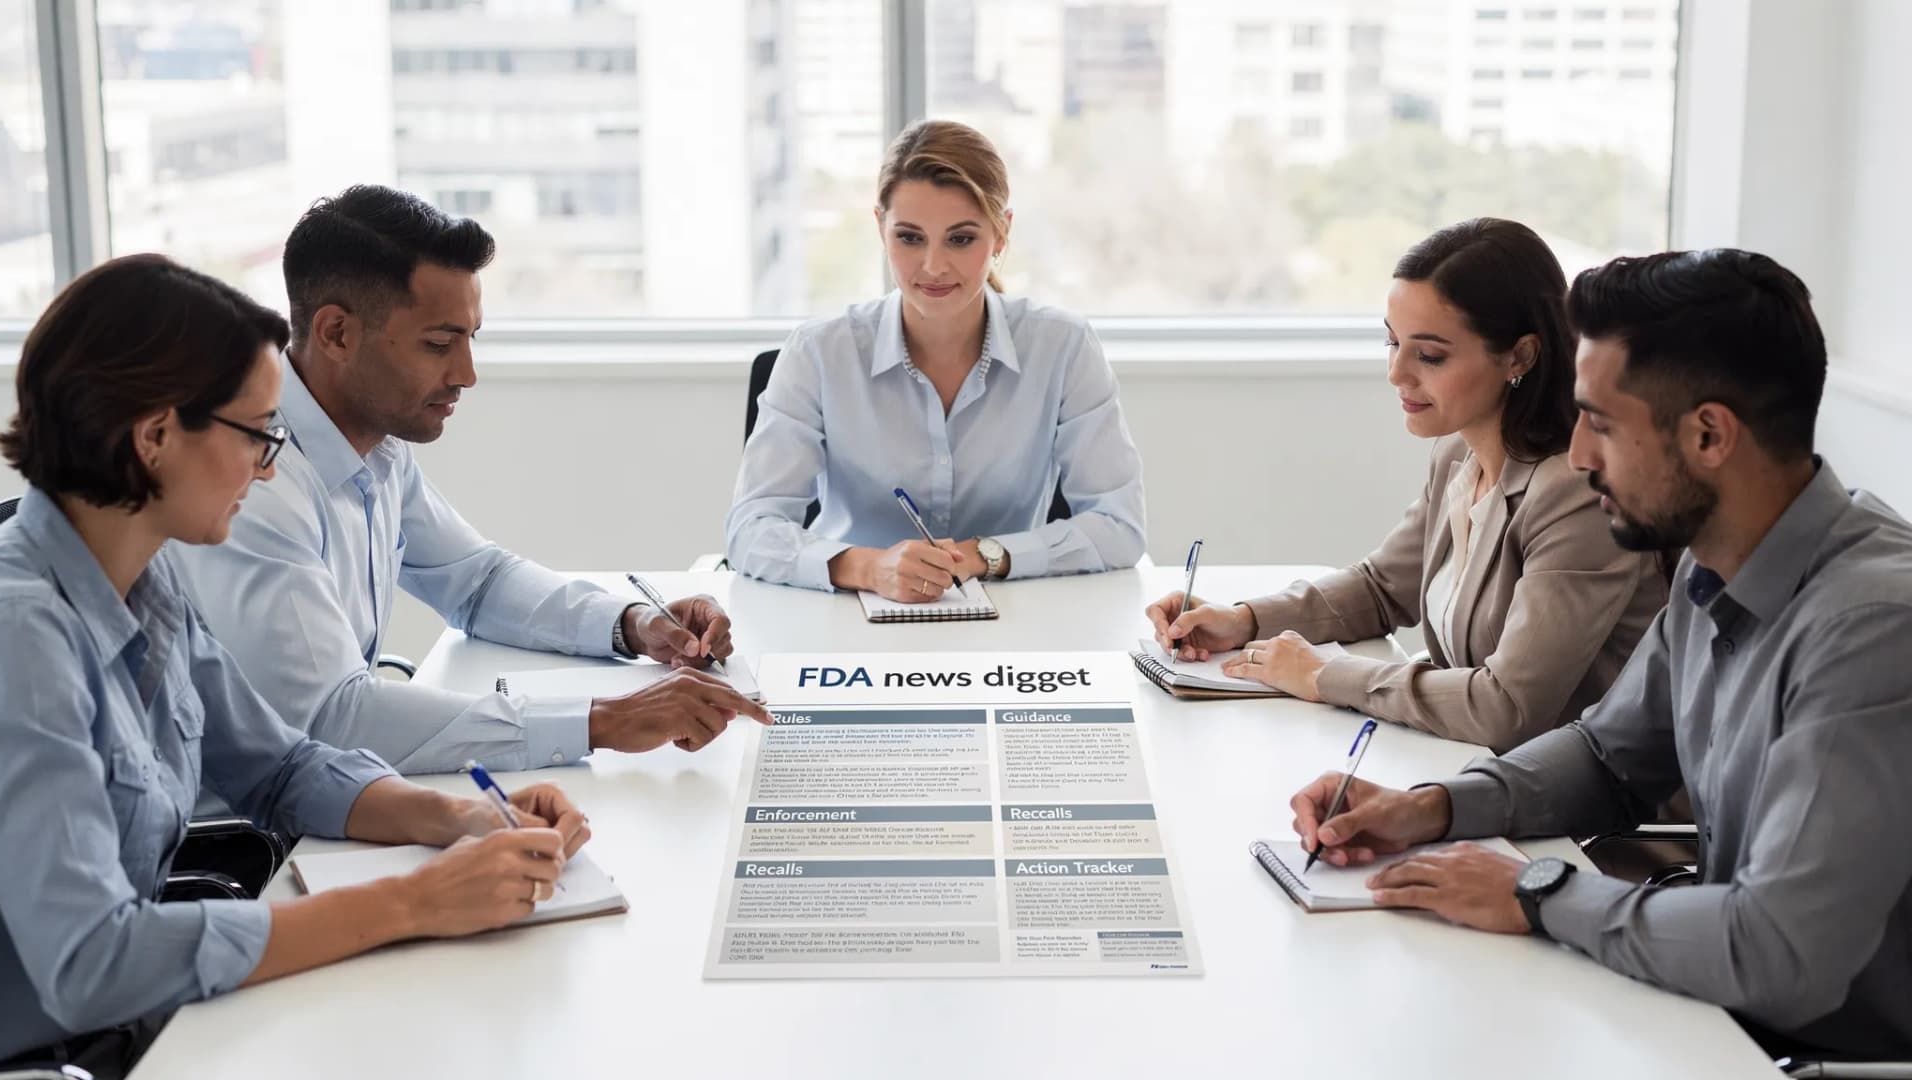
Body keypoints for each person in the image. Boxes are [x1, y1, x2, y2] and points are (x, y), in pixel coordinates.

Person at [1288, 250, 1912, 1058]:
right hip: (1712, 1013)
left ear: (1710, 434)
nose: (1578, 454)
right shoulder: (1715, 557)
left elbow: (1780, 952)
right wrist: (1435, 807)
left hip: (1814, 1051)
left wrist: (1538, 892)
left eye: (1603, 423)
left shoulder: (1870, 627)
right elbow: (1611, 757)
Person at [0, 255, 596, 1078]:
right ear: (155, 434)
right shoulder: (20, 639)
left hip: (140, 1023)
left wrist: (454, 819)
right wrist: (414, 903)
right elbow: (92, 960)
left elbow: (275, 767)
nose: (270, 466)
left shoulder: (144, 571)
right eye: (257, 434)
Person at [169, 185, 770, 776]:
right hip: (250, 848)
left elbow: (476, 582)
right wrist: (603, 720)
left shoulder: (376, 443)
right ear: (336, 334)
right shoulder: (252, 478)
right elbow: (331, 719)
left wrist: (634, 624)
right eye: (438, 344)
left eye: (469, 339)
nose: (466, 374)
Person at [1146, 219, 1666, 752]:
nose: (1397, 372)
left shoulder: (1576, 495)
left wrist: (1325, 675)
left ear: (1521, 356)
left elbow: (1506, 709)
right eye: (1393, 342)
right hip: (1469, 765)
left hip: (1573, 810)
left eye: (1430, 355)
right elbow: (1382, 587)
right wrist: (1245, 620)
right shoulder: (1459, 453)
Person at [725, 119, 1146, 601]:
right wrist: (869, 566)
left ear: (1002, 233)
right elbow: (751, 528)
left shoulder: (1063, 347)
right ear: (881, 228)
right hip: (844, 618)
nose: (933, 266)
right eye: (909, 237)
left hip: (1014, 621)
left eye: (961, 239)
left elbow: (1119, 525)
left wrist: (981, 555)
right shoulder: (819, 352)